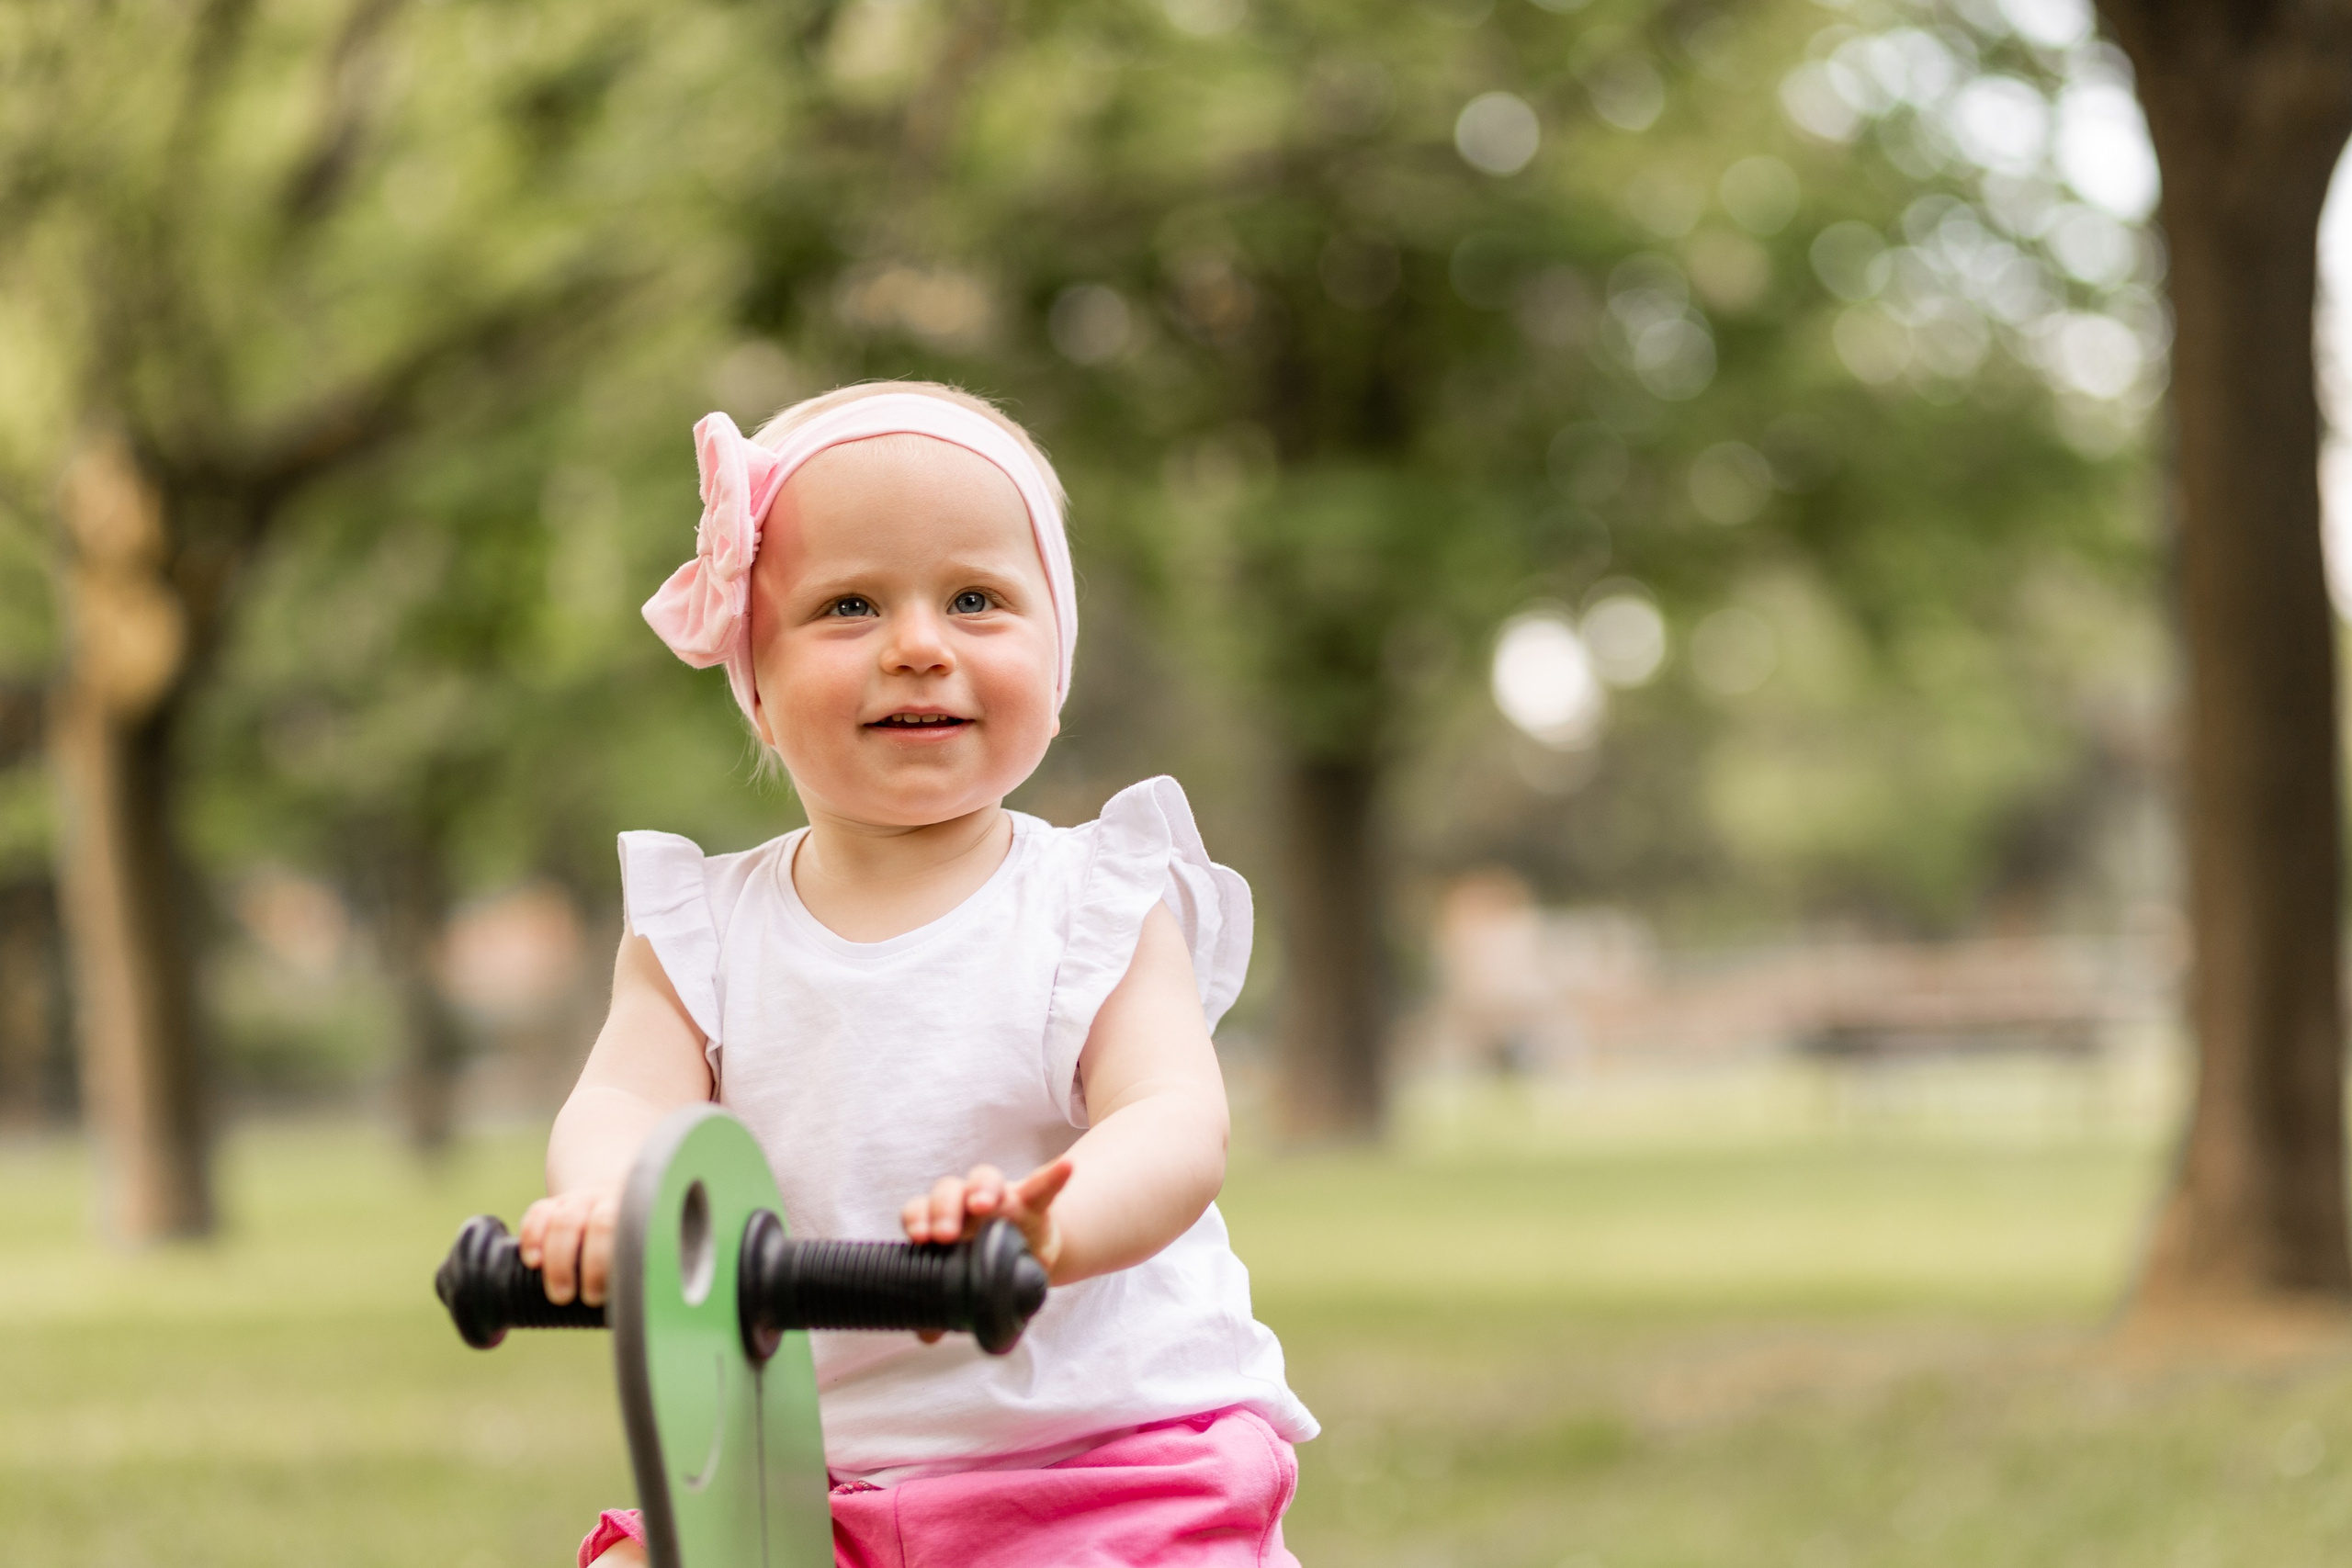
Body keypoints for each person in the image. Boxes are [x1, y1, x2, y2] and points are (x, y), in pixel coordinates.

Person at [518, 382, 1317, 1568]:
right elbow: (628, 1104)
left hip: (1102, 1461)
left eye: (978, 600)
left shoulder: (1094, 903)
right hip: (802, 1481)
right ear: (755, 676)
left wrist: (1048, 1224)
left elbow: (1172, 1120)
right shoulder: (699, 932)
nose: (919, 647)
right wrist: (606, 1203)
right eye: (849, 605)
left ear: (1057, 651)